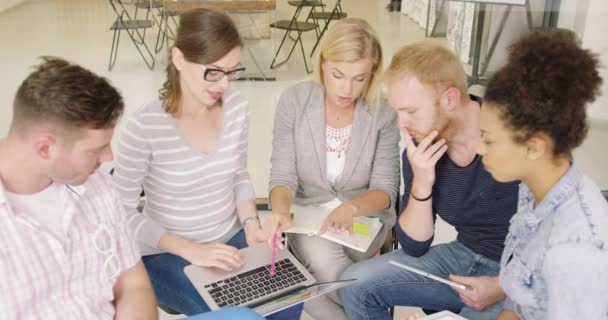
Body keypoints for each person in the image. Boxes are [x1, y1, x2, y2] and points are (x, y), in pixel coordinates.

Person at [112, 9, 301, 318]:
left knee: (288, 300)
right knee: (239, 312)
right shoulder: (145, 126)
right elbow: (121, 212)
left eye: (231, 71)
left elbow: (239, 175)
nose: (224, 84)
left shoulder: (237, 107)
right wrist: (191, 250)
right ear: (178, 59)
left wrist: (252, 225)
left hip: (229, 238)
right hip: (165, 253)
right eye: (213, 72)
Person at [340, 42, 520, 320]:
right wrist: (422, 182)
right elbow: (414, 247)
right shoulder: (421, 148)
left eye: (410, 111)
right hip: (464, 255)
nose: (401, 123)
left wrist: (504, 285)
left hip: (521, 272)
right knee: (356, 284)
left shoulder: (518, 133)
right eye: (397, 111)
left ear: (450, 99)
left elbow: (562, 244)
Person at [0, 57, 157, 319]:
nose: (109, 157)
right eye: (95, 150)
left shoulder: (100, 188)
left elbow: (133, 286)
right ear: (45, 148)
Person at [268, 18, 401, 320]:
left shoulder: (383, 113)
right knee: (323, 262)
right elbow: (282, 176)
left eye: (359, 78)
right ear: (323, 63)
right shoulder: (295, 102)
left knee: (308, 279)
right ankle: (368, 305)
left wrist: (351, 208)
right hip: (308, 219)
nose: (347, 88)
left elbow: (385, 190)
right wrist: (278, 211)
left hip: (362, 221)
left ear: (372, 74)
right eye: (338, 75)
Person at [478, 30, 608, 320]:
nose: (479, 148)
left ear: (533, 147)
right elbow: (519, 303)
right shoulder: (536, 185)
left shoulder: (575, 252)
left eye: (488, 140)